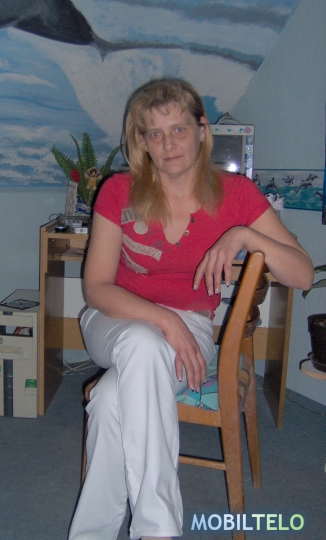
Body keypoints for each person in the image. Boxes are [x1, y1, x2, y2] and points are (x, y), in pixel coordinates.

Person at [68, 78, 314, 540]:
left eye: (178, 129)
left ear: (202, 130)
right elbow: (97, 288)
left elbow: (301, 274)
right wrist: (163, 319)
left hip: (190, 327)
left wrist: (244, 235)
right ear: (142, 142)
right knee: (142, 341)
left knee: (109, 401)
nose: (168, 144)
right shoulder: (119, 191)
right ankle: (158, 530)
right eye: (155, 134)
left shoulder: (236, 193)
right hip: (115, 319)